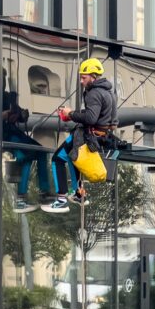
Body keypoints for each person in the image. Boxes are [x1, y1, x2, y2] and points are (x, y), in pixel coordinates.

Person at [41, 57, 117, 214]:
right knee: (72, 158)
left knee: (57, 159)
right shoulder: (109, 93)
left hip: (84, 136)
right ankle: (78, 194)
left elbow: (90, 118)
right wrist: (72, 115)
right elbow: (111, 120)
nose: (82, 81)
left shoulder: (93, 93)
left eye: (84, 77)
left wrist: (71, 113)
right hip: (98, 137)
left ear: (93, 77)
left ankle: (61, 199)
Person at [0, 64, 51, 213]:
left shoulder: (7, 97)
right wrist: (0, 117)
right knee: (26, 156)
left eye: (3, 82)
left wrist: (21, 115)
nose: (1, 85)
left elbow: (16, 113)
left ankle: (44, 192)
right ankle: (21, 198)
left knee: (41, 152)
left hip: (11, 133)